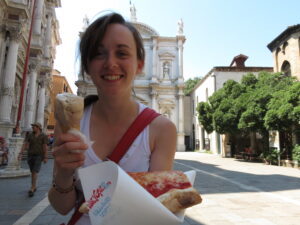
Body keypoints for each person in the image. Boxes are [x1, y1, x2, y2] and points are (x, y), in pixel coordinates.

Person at [48, 12, 177, 225]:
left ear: (139, 64)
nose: (110, 63)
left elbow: (157, 213)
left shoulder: (162, 130)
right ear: (87, 66)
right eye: (99, 54)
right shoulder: (70, 124)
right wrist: (63, 173)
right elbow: (62, 208)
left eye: (122, 53)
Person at [20, 122, 48, 197]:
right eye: (32, 126)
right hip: (30, 155)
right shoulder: (30, 135)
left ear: (38, 127)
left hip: (39, 156)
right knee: (32, 171)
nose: (32, 128)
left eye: (34, 126)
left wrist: (45, 157)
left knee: (34, 171)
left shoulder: (44, 136)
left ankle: (32, 187)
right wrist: (21, 153)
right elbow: (26, 144)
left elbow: (45, 146)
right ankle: (34, 186)